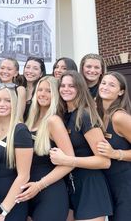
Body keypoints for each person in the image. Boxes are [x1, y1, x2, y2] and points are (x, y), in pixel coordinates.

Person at [50, 71, 113, 221]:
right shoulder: (64, 116)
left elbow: (104, 161)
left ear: (80, 88)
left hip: (91, 188)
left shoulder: (85, 116)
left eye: (72, 86)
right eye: (63, 85)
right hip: (71, 187)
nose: (66, 89)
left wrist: (68, 160)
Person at [15, 76, 74, 221]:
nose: (42, 94)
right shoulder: (30, 120)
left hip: (50, 194)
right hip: (29, 194)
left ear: (55, 95)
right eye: (40, 90)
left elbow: (69, 162)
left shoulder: (54, 121)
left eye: (48, 91)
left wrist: (39, 185)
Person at [0, 85, 33, 221]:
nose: (1, 104)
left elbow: (24, 176)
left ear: (14, 104)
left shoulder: (20, 131)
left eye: (7, 100)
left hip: (12, 204)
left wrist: (3, 210)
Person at [96, 72, 131, 221]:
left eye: (112, 85)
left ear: (121, 91)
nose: (105, 87)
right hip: (109, 184)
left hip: (126, 185)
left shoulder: (119, 117)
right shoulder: (98, 114)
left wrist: (117, 154)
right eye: (103, 83)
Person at [22, 56, 46, 121]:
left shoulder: (43, 93)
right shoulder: (19, 89)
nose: (30, 71)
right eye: (28, 67)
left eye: (35, 68)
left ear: (41, 74)